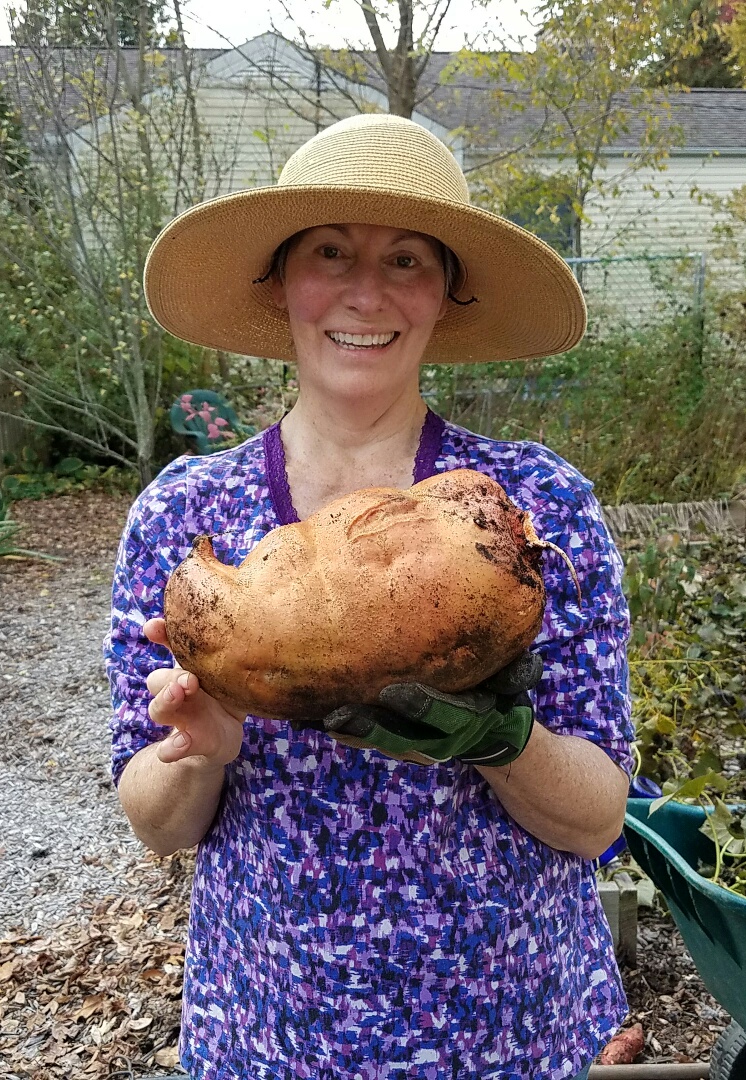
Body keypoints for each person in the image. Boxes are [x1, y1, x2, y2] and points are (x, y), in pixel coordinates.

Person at [104, 113, 633, 1079]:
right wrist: (201, 753)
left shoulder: (528, 510)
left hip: (511, 1027)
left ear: (446, 296)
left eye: (406, 260)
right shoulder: (187, 521)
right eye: (330, 251)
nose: (365, 290)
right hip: (274, 1029)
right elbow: (155, 822)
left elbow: (599, 819)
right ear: (280, 283)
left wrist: (501, 740)